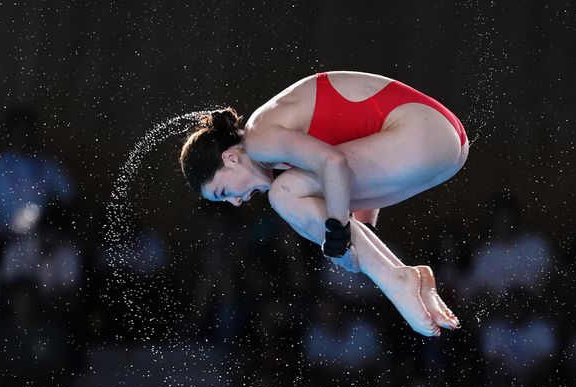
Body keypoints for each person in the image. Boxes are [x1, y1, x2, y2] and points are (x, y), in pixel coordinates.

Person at [179, 71, 469, 336]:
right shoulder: (275, 147)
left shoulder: (259, 139)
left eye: (223, 192)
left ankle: (397, 280)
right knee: (322, 195)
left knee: (284, 194)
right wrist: (363, 240)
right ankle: (406, 277)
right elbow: (356, 162)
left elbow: (334, 161)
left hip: (426, 136)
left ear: (230, 159)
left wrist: (339, 235)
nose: (235, 202)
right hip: (446, 145)